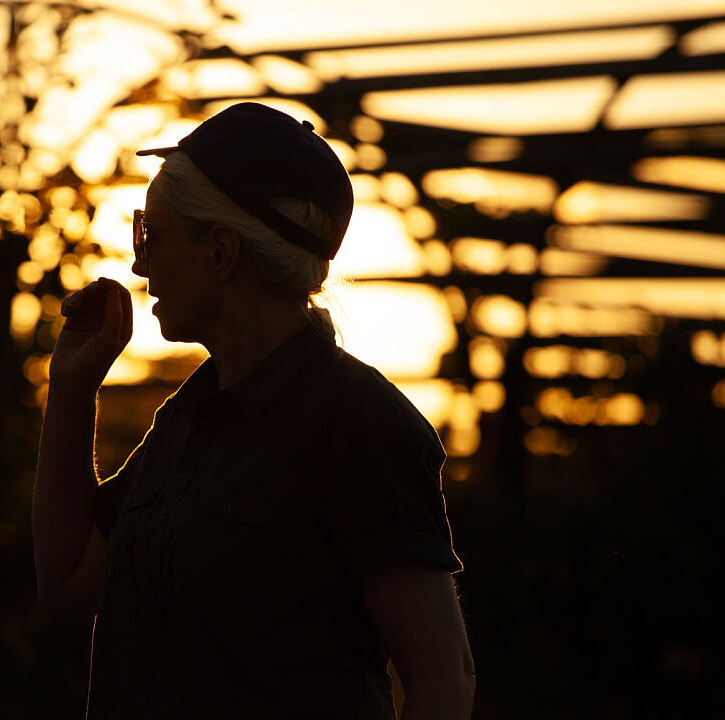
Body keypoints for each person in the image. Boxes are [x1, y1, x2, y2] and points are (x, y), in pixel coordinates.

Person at [32, 102, 475, 719]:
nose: (139, 263)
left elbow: (443, 679)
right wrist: (72, 389)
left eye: (150, 236)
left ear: (221, 252)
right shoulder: (188, 420)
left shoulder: (362, 427)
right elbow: (68, 581)